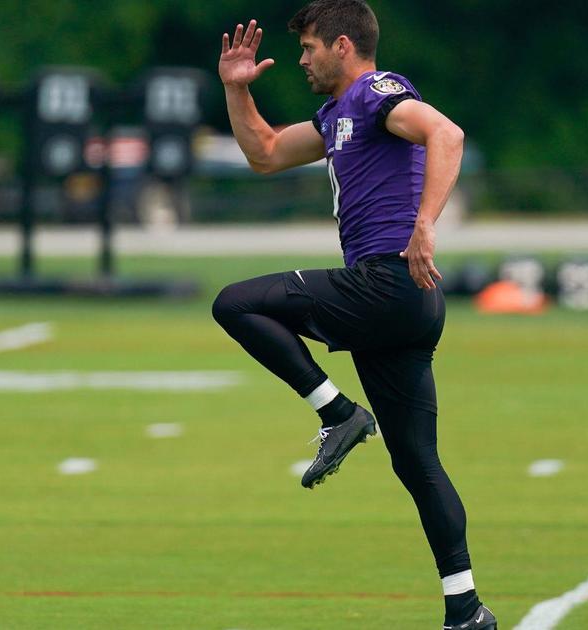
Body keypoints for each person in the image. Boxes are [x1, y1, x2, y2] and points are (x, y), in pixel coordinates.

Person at [211, 1, 495, 628]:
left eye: (310, 47)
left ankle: (338, 414)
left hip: (389, 284)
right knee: (418, 462)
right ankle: (466, 609)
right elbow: (264, 152)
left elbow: (445, 133)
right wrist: (235, 90)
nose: (303, 59)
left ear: (344, 45)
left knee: (235, 303)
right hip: (407, 304)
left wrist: (424, 226)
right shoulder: (339, 113)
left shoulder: (375, 91)